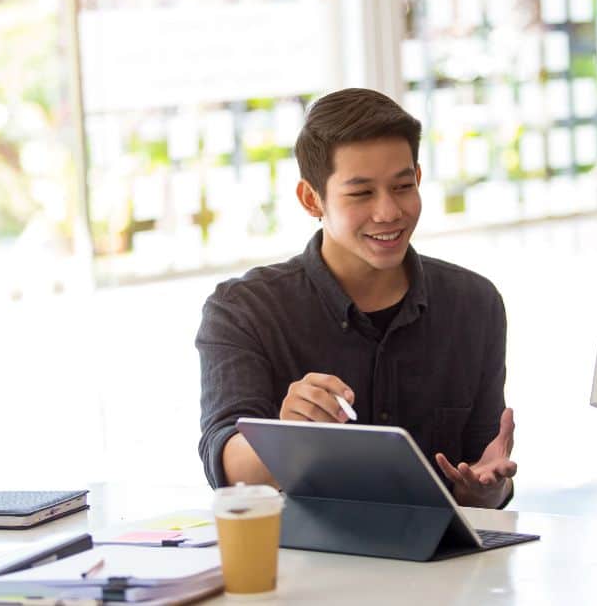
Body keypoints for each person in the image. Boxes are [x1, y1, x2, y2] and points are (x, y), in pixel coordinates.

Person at [196, 88, 516, 509]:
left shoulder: (474, 304)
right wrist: (288, 437)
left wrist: (488, 489)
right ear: (312, 199)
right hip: (306, 564)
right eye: (361, 193)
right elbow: (225, 465)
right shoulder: (243, 310)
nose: (388, 212)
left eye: (402, 186)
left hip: (442, 565)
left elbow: (481, 470)